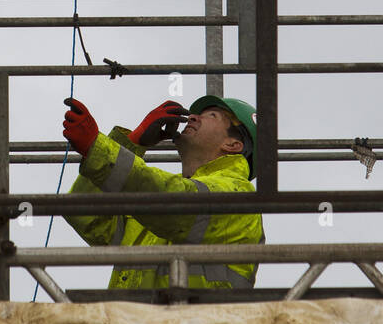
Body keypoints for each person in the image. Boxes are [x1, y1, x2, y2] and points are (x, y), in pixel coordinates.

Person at [62, 94, 264, 292]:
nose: (192, 117)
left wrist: (97, 148)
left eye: (212, 115)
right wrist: (133, 142)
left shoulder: (239, 195)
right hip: (131, 323)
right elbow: (85, 217)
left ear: (233, 145)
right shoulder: (152, 210)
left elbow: (175, 204)